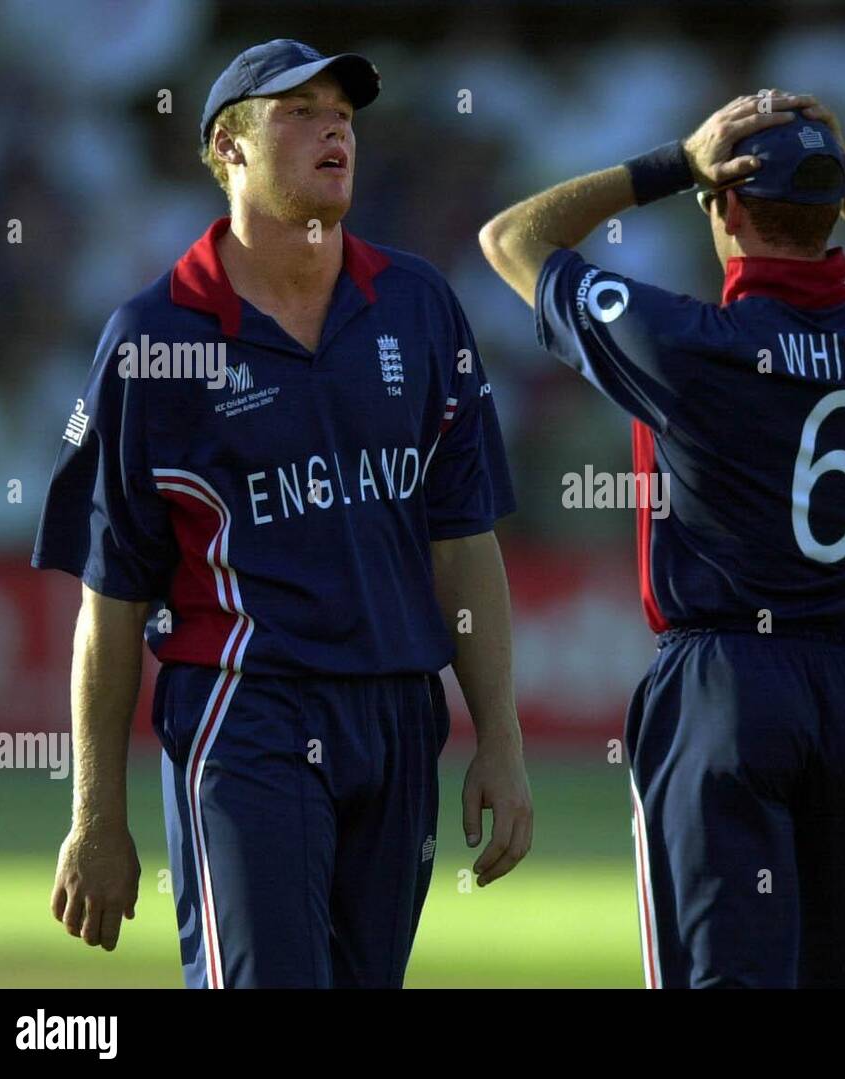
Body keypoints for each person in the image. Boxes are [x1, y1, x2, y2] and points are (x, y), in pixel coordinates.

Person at [32, 39, 530, 988]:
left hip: (398, 719)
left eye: (342, 111)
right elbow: (111, 601)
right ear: (230, 147)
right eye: (298, 111)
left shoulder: (419, 305)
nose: (334, 126)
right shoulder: (153, 338)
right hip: (244, 710)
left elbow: (464, 547)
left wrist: (499, 743)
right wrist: (95, 815)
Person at [480, 91, 845, 987]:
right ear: (829, 214)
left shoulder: (689, 342)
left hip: (724, 683)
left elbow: (511, 239)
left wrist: (674, 163)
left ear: (725, 208)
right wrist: (830, 168)